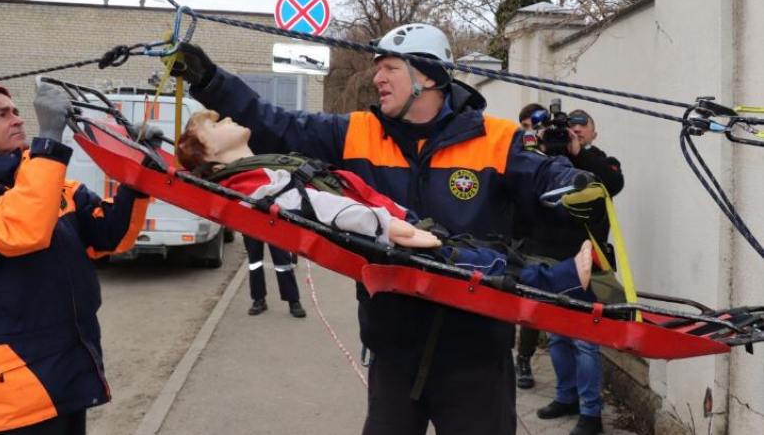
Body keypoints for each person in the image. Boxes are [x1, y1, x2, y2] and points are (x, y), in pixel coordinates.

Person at [169, 24, 603, 435]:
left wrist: (572, 183)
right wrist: (211, 81)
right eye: (379, 67)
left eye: (390, 67)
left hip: (477, 354)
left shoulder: (497, 139)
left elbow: (545, 177)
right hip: (394, 352)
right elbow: (277, 125)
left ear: (428, 77)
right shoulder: (357, 131)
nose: (377, 77)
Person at [176, 109, 596, 297]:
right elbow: (315, 210)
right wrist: (385, 225)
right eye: (217, 124)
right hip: (382, 227)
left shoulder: (254, 170)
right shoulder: (251, 182)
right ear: (207, 151)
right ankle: (557, 282)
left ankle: (553, 275)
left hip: (385, 217)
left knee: (472, 250)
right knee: (471, 265)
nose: (228, 119)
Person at [0, 79, 152, 435]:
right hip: (16, 390)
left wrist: (139, 173)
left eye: (16, 111)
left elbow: (110, 235)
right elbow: (24, 229)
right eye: (2, 114)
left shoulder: (44, 182)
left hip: (68, 371)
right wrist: (48, 141)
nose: (18, 119)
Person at [529, 108, 624, 435]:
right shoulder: (543, 164)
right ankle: (565, 396)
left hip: (590, 263)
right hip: (551, 262)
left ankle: (591, 414)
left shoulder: (601, 162)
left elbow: (614, 182)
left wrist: (578, 153)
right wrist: (542, 150)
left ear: (592, 135)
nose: (575, 133)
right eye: (571, 130)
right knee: (557, 337)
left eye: (582, 131)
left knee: (585, 342)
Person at [512, 102, 548, 390]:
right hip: (515, 237)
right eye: (525, 128)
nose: (530, 133)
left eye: (534, 127)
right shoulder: (516, 154)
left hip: (546, 242)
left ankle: (523, 359)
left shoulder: (556, 156)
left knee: (533, 305)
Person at [242, 236, 307, 317]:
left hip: (276, 225)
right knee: (255, 264)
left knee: (283, 262)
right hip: (252, 225)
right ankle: (258, 299)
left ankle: (293, 300)